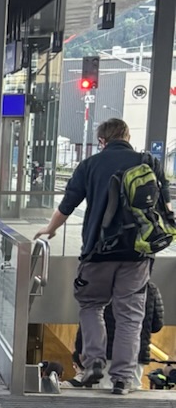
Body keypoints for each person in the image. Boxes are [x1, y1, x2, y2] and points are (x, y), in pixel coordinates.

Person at [37, 115, 170, 393]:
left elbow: (67, 206)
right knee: (130, 315)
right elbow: (165, 207)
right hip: (137, 254)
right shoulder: (148, 162)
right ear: (127, 136)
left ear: (102, 140)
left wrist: (50, 229)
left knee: (91, 305)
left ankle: (94, 362)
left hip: (98, 251)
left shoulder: (90, 165)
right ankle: (122, 379)